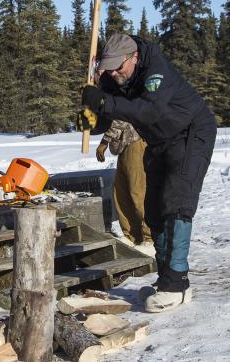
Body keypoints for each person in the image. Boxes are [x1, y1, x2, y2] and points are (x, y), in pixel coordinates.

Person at [78, 33, 216, 313]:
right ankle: (170, 280)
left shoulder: (156, 68)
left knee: (176, 203)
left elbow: (148, 110)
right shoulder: (111, 76)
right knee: (153, 209)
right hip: (159, 140)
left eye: (120, 67)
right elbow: (106, 113)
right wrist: (92, 116)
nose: (115, 73)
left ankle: (174, 285)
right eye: (110, 68)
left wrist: (106, 103)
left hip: (191, 132)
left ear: (134, 58)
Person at [96, 120, 154, 256]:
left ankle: (150, 238)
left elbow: (120, 119)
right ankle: (132, 235)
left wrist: (104, 142)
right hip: (124, 145)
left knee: (138, 190)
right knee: (121, 192)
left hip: (136, 139)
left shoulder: (123, 98)